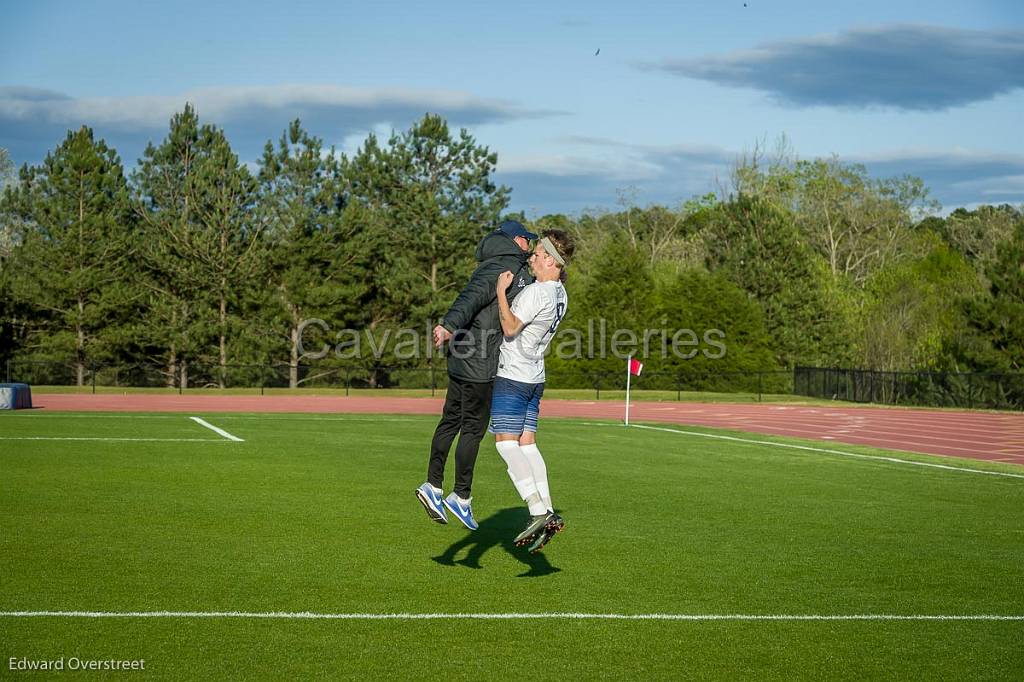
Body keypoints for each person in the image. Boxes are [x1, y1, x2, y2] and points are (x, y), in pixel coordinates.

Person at [415, 220, 535, 530]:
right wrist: (448, 324)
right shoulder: (503, 265)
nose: (529, 246)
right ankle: (461, 497)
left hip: (463, 358)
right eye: (526, 240)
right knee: (472, 430)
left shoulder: (502, 263)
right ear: (515, 240)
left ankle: (433, 486)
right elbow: (471, 296)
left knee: (450, 421)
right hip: (479, 362)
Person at [491, 229, 575, 553]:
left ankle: (537, 509)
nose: (533, 258)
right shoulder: (561, 294)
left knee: (505, 445)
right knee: (528, 445)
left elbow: (510, 327)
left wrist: (502, 291)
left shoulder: (537, 293)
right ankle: (549, 510)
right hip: (536, 377)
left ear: (552, 261)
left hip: (514, 376)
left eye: (539, 254)